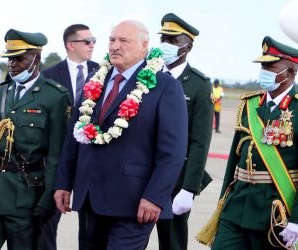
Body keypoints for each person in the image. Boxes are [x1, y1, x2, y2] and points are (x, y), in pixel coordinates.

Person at [53, 19, 188, 249]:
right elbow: (73, 137)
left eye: (123, 41)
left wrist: (155, 196)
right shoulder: (94, 79)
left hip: (134, 203)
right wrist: (63, 183)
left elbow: (172, 152)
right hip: (90, 198)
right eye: (112, 40)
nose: (115, 46)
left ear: (144, 46)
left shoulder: (165, 86)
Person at [211, 36, 298, 249]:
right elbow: (234, 159)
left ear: (290, 72)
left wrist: (296, 219)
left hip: (276, 212)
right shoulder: (249, 104)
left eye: (270, 66)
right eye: (263, 66)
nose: (264, 71)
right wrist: (222, 203)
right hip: (237, 207)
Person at [0, 29, 71, 249]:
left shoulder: (55, 97)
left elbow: (57, 155)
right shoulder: (2, 93)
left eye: (19, 58)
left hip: (26, 199)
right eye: (10, 58)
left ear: (36, 58)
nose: (12, 64)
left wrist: (47, 200)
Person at [155, 13, 213, 250]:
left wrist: (190, 188)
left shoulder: (198, 84)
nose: (166, 45)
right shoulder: (149, 76)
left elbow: (200, 141)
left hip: (176, 179)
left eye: (173, 41)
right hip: (142, 172)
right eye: (164, 39)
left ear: (188, 46)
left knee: (171, 242)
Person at [41, 23, 98, 250]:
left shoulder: (103, 73)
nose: (92, 44)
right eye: (87, 41)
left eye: (94, 40)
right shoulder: (48, 76)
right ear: (70, 45)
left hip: (89, 158)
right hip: (57, 160)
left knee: (90, 227)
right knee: (47, 223)